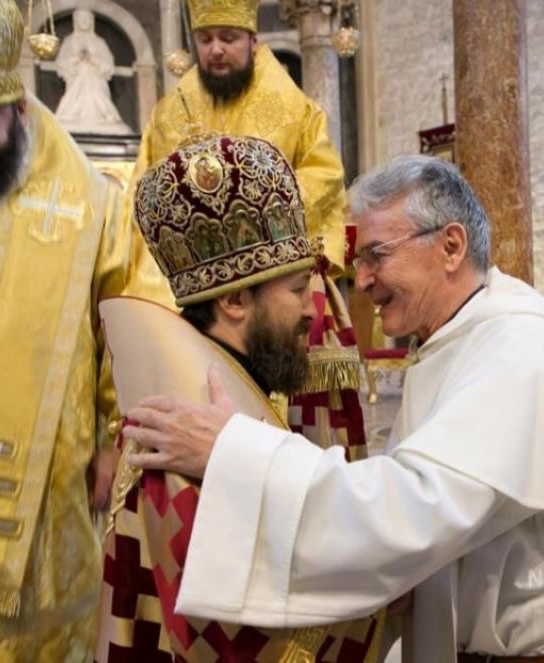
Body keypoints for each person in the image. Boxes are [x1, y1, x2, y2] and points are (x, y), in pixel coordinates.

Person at [121, 155, 544, 661]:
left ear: (451, 246)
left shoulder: (519, 347)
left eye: (376, 255)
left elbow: (414, 508)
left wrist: (237, 452)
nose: (359, 281)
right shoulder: (457, 341)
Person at [0, 0, 168, 658]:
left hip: (45, 541)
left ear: (19, 108)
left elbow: (140, 322)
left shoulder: (93, 201)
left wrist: (119, 439)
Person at [96, 134, 382, 661]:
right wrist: (382, 592)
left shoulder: (222, 394)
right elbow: (226, 638)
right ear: (233, 300)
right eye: (297, 291)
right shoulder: (182, 435)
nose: (312, 313)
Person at [137, 0, 365, 463]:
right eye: (206, 40)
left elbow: (325, 176)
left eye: (229, 38)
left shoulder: (293, 108)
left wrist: (255, 223)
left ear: (253, 41)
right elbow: (144, 193)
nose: (216, 50)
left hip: (280, 275)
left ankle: (307, 487)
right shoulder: (168, 114)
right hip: (194, 295)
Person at [54, 8, 133, 135]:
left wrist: (93, 59)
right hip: (76, 79)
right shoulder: (69, 41)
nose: (84, 21)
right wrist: (77, 59)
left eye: (87, 19)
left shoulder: (99, 42)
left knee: (89, 73)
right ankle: (74, 113)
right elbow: (61, 64)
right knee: (83, 71)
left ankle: (100, 114)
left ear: (91, 21)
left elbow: (108, 65)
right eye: (81, 18)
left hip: (96, 79)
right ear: (76, 21)